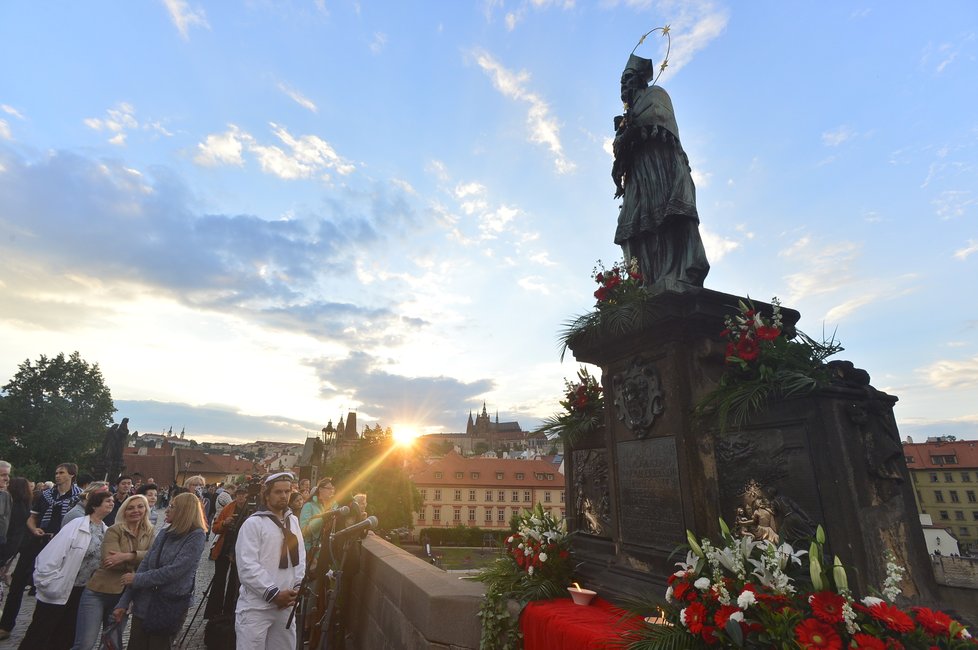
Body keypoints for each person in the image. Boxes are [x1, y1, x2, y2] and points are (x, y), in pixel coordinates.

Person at [611, 52, 709, 288]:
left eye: (629, 78)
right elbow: (618, 148)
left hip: (661, 164)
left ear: (641, 78)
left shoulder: (656, 94)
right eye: (622, 81)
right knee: (632, 223)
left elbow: (659, 116)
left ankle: (676, 272)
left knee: (668, 215)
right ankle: (644, 278)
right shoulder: (625, 118)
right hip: (638, 174)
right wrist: (623, 139)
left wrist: (633, 129)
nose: (625, 85)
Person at [19, 490, 114, 649]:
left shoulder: (106, 530)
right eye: (107, 501)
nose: (112, 503)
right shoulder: (76, 525)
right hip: (59, 587)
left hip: (81, 592)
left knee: (66, 634)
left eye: (112, 501)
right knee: (40, 632)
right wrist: (48, 583)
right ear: (96, 505)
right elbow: (52, 554)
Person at [112, 492, 208, 648]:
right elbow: (145, 565)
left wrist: (138, 579)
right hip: (144, 604)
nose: (167, 509)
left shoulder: (196, 536)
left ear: (184, 511)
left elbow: (175, 571)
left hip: (167, 606)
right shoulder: (165, 533)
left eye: (172, 506)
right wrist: (123, 602)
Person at [0, 462, 81, 639]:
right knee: (18, 583)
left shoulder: (78, 497)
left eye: (61, 472)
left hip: (59, 546)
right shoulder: (45, 495)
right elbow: (32, 516)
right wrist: (34, 528)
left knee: (47, 588)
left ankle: (39, 630)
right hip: (36, 541)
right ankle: (6, 625)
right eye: (56, 472)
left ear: (72, 475)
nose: (57, 475)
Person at [71, 494, 155, 650]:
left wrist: (126, 556)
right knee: (84, 644)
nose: (135, 511)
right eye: (130, 508)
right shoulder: (114, 530)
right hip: (98, 592)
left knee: (111, 645)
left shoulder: (150, 532)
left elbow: (153, 560)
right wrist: (139, 561)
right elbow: (110, 562)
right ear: (124, 512)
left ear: (146, 509)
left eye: (140, 506)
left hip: (124, 596)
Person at [234, 472, 305, 650]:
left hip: (285, 606)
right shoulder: (253, 524)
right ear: (266, 495)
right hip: (256, 607)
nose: (283, 496)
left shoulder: (293, 522)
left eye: (287, 491)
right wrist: (273, 594)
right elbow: (247, 566)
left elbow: (300, 558)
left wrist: (297, 587)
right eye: (278, 492)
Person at [205, 487, 248, 619]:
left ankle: (229, 611)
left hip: (241, 550)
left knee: (234, 582)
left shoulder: (252, 509)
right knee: (219, 580)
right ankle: (214, 611)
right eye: (239, 495)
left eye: (244, 495)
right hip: (225, 547)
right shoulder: (229, 507)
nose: (241, 498)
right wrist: (224, 523)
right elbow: (215, 527)